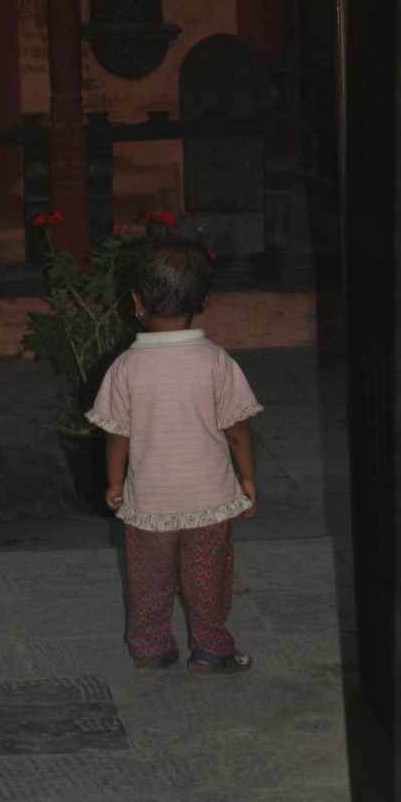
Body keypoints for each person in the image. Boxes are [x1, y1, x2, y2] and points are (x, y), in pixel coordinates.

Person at [86, 236, 261, 672]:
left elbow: (116, 434)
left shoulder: (126, 367)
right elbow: (237, 428)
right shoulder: (216, 362)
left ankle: (149, 648)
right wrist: (249, 478)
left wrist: (114, 482)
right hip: (208, 498)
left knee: (149, 579)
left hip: (150, 501)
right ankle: (210, 650)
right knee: (208, 578)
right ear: (203, 300)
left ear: (136, 301)